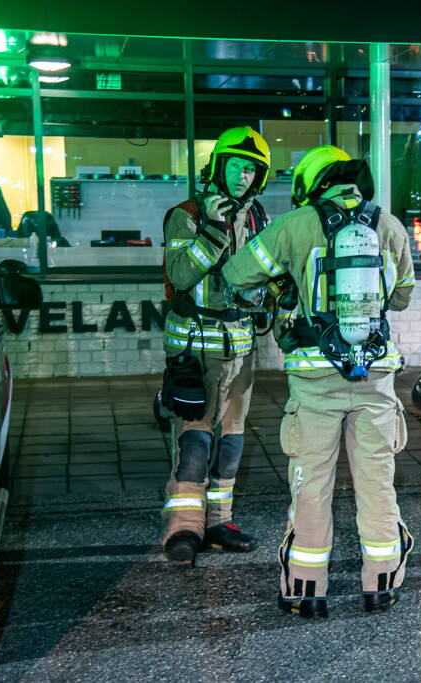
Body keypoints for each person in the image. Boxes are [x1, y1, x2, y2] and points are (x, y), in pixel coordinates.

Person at [221, 145, 416, 618]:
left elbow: (234, 274)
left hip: (314, 378)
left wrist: (281, 284)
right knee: (377, 483)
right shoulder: (387, 224)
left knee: (311, 486)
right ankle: (381, 584)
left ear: (311, 183)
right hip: (375, 377)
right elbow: (404, 296)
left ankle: (306, 589)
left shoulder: (295, 225)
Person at [159, 126, 272, 564]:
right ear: (218, 167)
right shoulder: (185, 215)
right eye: (237, 166)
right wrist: (214, 229)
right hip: (194, 350)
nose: (243, 176)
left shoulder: (258, 216)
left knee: (232, 441)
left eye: (251, 170)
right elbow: (182, 276)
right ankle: (184, 527)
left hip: (242, 348)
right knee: (195, 441)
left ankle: (220, 520)